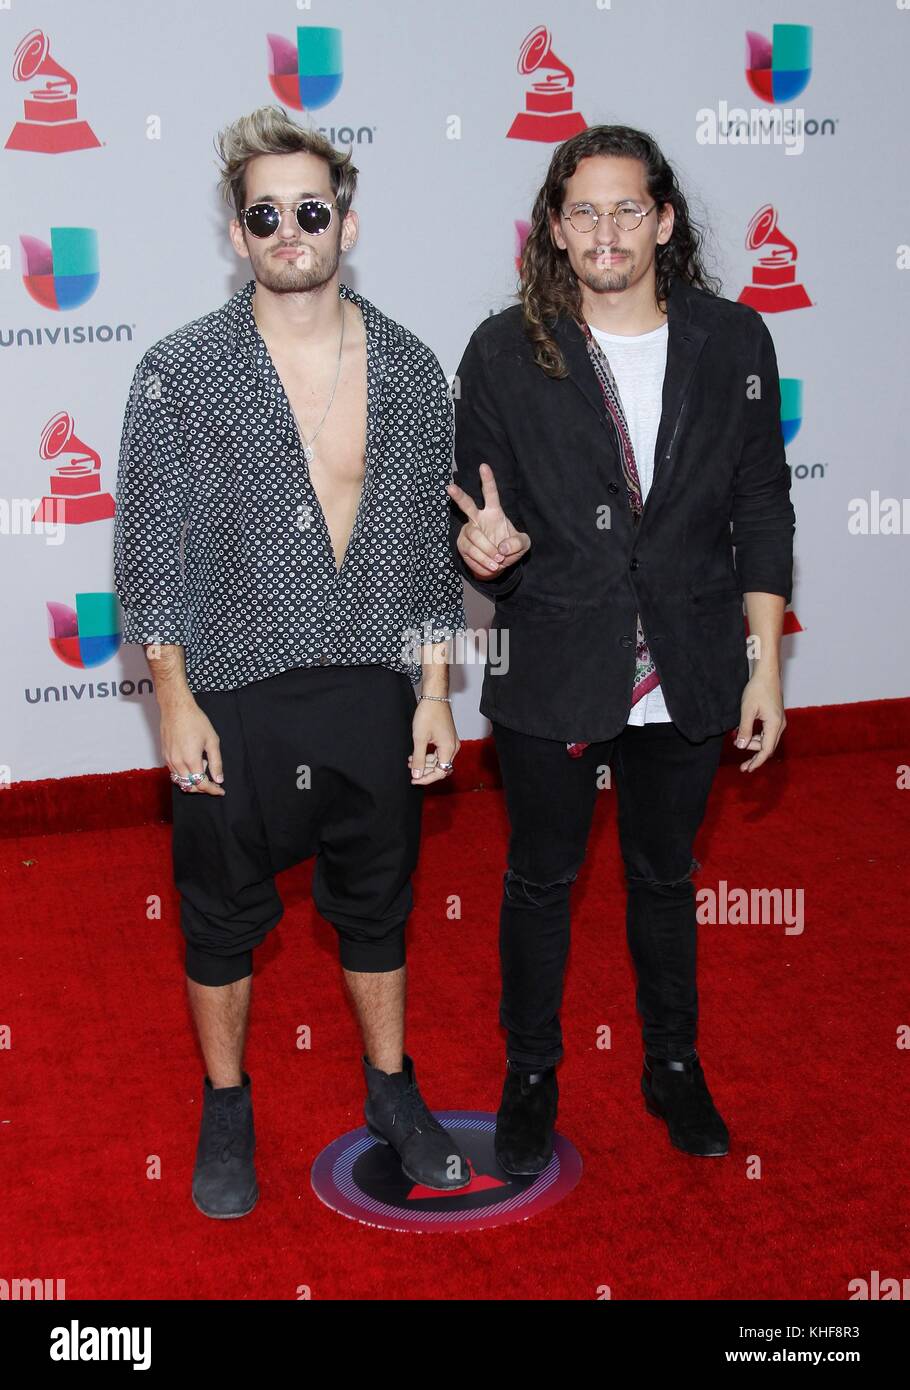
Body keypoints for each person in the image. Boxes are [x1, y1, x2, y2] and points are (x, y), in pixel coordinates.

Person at [113, 105, 469, 1218]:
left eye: (307, 210)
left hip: (370, 680)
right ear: (237, 235)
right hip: (229, 685)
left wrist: (432, 692)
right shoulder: (178, 370)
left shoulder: (411, 368)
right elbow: (149, 543)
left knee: (377, 905)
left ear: (345, 225)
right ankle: (227, 1105)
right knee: (220, 913)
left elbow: (420, 548)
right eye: (262, 213)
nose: (287, 230)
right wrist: (170, 696)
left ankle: (392, 1091)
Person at [447, 125, 796, 1172]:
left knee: (662, 876)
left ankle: (672, 1066)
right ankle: (531, 1073)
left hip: (688, 662)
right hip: (554, 662)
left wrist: (765, 662)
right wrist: (481, 545)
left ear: (665, 219)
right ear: (554, 228)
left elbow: (762, 503)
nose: (606, 230)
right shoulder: (505, 349)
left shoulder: (733, 341)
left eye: (627, 208)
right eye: (583, 210)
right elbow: (473, 516)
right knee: (540, 879)